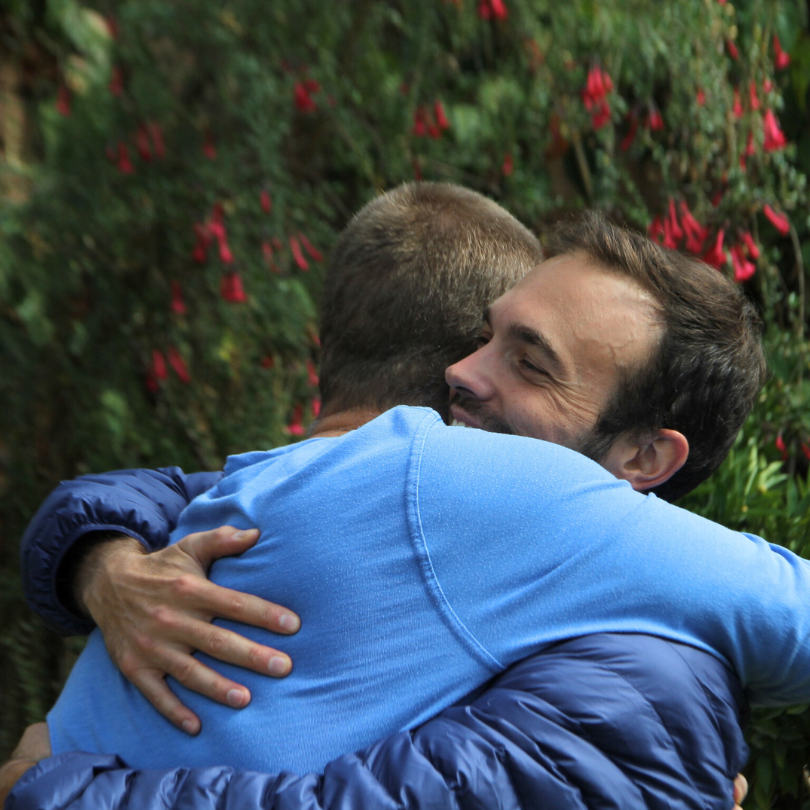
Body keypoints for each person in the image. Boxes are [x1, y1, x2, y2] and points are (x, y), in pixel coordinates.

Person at [6, 186, 773, 808]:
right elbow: (186, 489)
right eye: (483, 338)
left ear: (645, 456)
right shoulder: (428, 520)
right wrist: (103, 563)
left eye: (531, 364)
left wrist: (49, 789)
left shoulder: (635, 681)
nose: (461, 373)